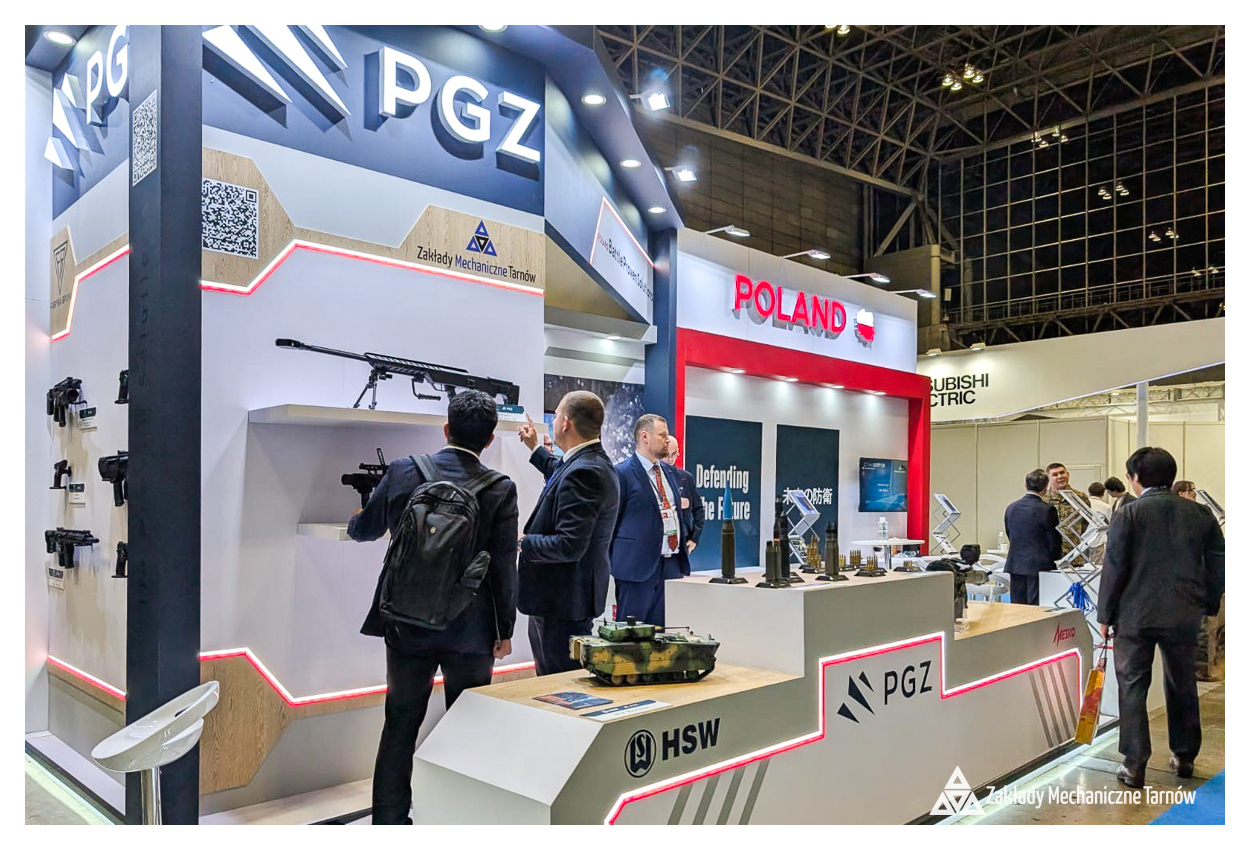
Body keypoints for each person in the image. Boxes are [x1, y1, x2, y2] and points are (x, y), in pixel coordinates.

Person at [348, 390, 519, 825]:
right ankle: (461, 820)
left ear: (446, 429)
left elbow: (365, 530)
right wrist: (505, 630)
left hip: (405, 622)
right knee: (468, 727)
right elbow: (504, 567)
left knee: (400, 724)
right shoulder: (500, 488)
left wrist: (357, 518)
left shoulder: (403, 470)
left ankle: (388, 823)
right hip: (471, 628)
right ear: (490, 439)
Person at [1098, 447, 1225, 789]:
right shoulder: (1200, 513)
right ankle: (1184, 757)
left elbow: (1114, 566)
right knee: (1183, 682)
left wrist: (1105, 614)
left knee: (1132, 685)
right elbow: (1218, 562)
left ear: (1136, 477)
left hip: (1134, 614)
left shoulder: (1129, 514)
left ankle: (1134, 764)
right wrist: (1208, 603)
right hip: (1184, 613)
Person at [517, 392, 620, 675]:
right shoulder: (587, 462)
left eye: (555, 416)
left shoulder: (585, 471)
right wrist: (535, 448)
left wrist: (525, 543)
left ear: (565, 423)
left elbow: (569, 545)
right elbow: (558, 473)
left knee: (557, 684)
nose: (552, 423)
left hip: (561, 602)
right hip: (565, 599)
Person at [611, 414, 691, 626]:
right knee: (631, 634)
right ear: (645, 437)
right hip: (635, 567)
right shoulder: (622, 473)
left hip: (669, 565)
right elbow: (611, 521)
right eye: (662, 435)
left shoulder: (670, 473)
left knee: (661, 634)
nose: (667, 440)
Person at [1002, 469, 1062, 605]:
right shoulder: (1047, 509)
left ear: (1025, 485)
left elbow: (1009, 533)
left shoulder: (1011, 507)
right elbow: (1053, 539)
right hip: (1039, 564)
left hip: (1015, 563)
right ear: (1045, 487)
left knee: (1017, 606)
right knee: (1036, 607)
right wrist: (1055, 557)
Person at [663, 435, 704, 555]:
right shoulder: (650, 477)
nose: (670, 459)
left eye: (674, 454)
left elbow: (699, 509)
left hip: (681, 539)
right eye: (666, 455)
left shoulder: (686, 478)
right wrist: (676, 502)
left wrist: (694, 538)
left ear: (678, 453)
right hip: (657, 539)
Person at [1044, 463, 1090, 564]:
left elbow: (1086, 523)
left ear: (1068, 474)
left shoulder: (1080, 497)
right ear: (1048, 479)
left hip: (1073, 555)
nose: (1060, 476)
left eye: (1062, 473)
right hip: (1049, 555)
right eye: (1055, 475)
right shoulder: (1044, 499)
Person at [1086, 482, 1113, 565]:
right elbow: (1113, 522)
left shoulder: (1083, 504)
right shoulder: (1106, 507)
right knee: (1097, 567)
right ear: (1103, 493)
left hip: (1082, 540)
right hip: (1097, 540)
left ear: (1089, 492)